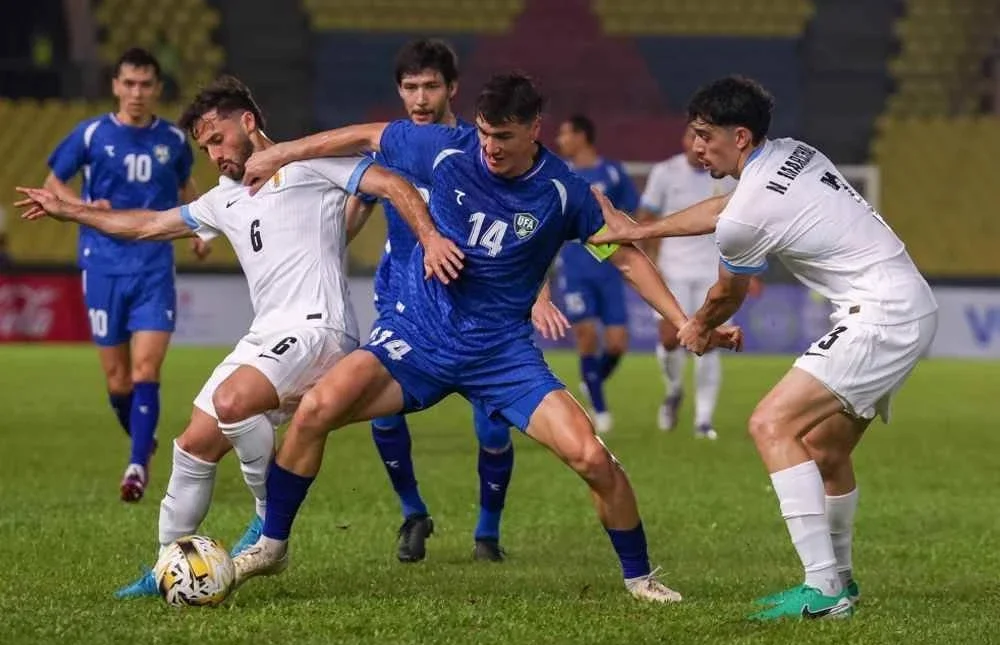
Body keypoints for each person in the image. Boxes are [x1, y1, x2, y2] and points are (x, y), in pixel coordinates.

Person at [230, 71, 742, 602]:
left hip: (502, 356)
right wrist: (281, 153)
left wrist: (684, 320)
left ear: (534, 130)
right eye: (484, 134)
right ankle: (272, 546)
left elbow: (625, 257)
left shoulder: (562, 192)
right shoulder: (448, 149)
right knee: (315, 410)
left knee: (592, 458)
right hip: (418, 340)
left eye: (504, 137)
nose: (491, 148)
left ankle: (640, 578)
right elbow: (368, 135)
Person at [16, 75, 434, 599]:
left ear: (249, 123)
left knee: (233, 401)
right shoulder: (223, 200)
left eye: (217, 138)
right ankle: (167, 564)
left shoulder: (309, 165)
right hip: (265, 336)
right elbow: (147, 225)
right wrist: (73, 210)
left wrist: (432, 239)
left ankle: (267, 527)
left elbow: (391, 184)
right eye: (204, 146)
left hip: (319, 330)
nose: (212, 153)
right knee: (192, 445)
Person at [591, 75, 938, 620]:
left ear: (742, 136)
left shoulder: (748, 214)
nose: (696, 147)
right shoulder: (793, 154)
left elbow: (727, 293)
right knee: (825, 451)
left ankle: (823, 590)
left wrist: (697, 328)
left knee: (771, 425)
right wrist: (639, 232)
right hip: (907, 304)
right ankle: (841, 582)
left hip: (881, 315)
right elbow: (723, 210)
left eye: (706, 136)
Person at [357, 39, 568, 563]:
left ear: (453, 88)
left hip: (478, 305)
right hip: (404, 302)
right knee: (376, 407)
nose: (421, 98)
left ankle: (487, 533)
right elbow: (350, 214)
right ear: (398, 91)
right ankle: (412, 512)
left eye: (431, 86)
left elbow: (528, 231)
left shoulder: (478, 149)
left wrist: (540, 294)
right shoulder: (391, 148)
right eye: (410, 87)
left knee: (492, 422)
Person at [43, 47, 211, 502]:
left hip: (153, 266)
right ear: (116, 86)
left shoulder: (174, 141)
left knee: (145, 368)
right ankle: (143, 436)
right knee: (118, 381)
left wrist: (197, 227)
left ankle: (138, 464)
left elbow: (184, 187)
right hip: (101, 265)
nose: (137, 93)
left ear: (157, 89)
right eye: (129, 84)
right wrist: (80, 208)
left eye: (146, 85)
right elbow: (54, 183)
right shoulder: (93, 134)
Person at [637, 125, 738, 439]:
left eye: (703, 138)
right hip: (673, 269)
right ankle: (674, 390)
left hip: (715, 271)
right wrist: (649, 264)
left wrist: (749, 272)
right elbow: (646, 219)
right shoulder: (665, 172)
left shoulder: (729, 174)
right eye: (691, 138)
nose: (697, 145)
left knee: (710, 341)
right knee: (670, 339)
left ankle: (703, 420)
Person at [553, 114, 639, 434]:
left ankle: (591, 381)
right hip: (574, 264)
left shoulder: (612, 172)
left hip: (610, 265)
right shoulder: (559, 173)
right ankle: (599, 409)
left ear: (582, 136)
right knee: (587, 334)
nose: (560, 141)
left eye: (564, 134)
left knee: (617, 343)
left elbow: (631, 211)